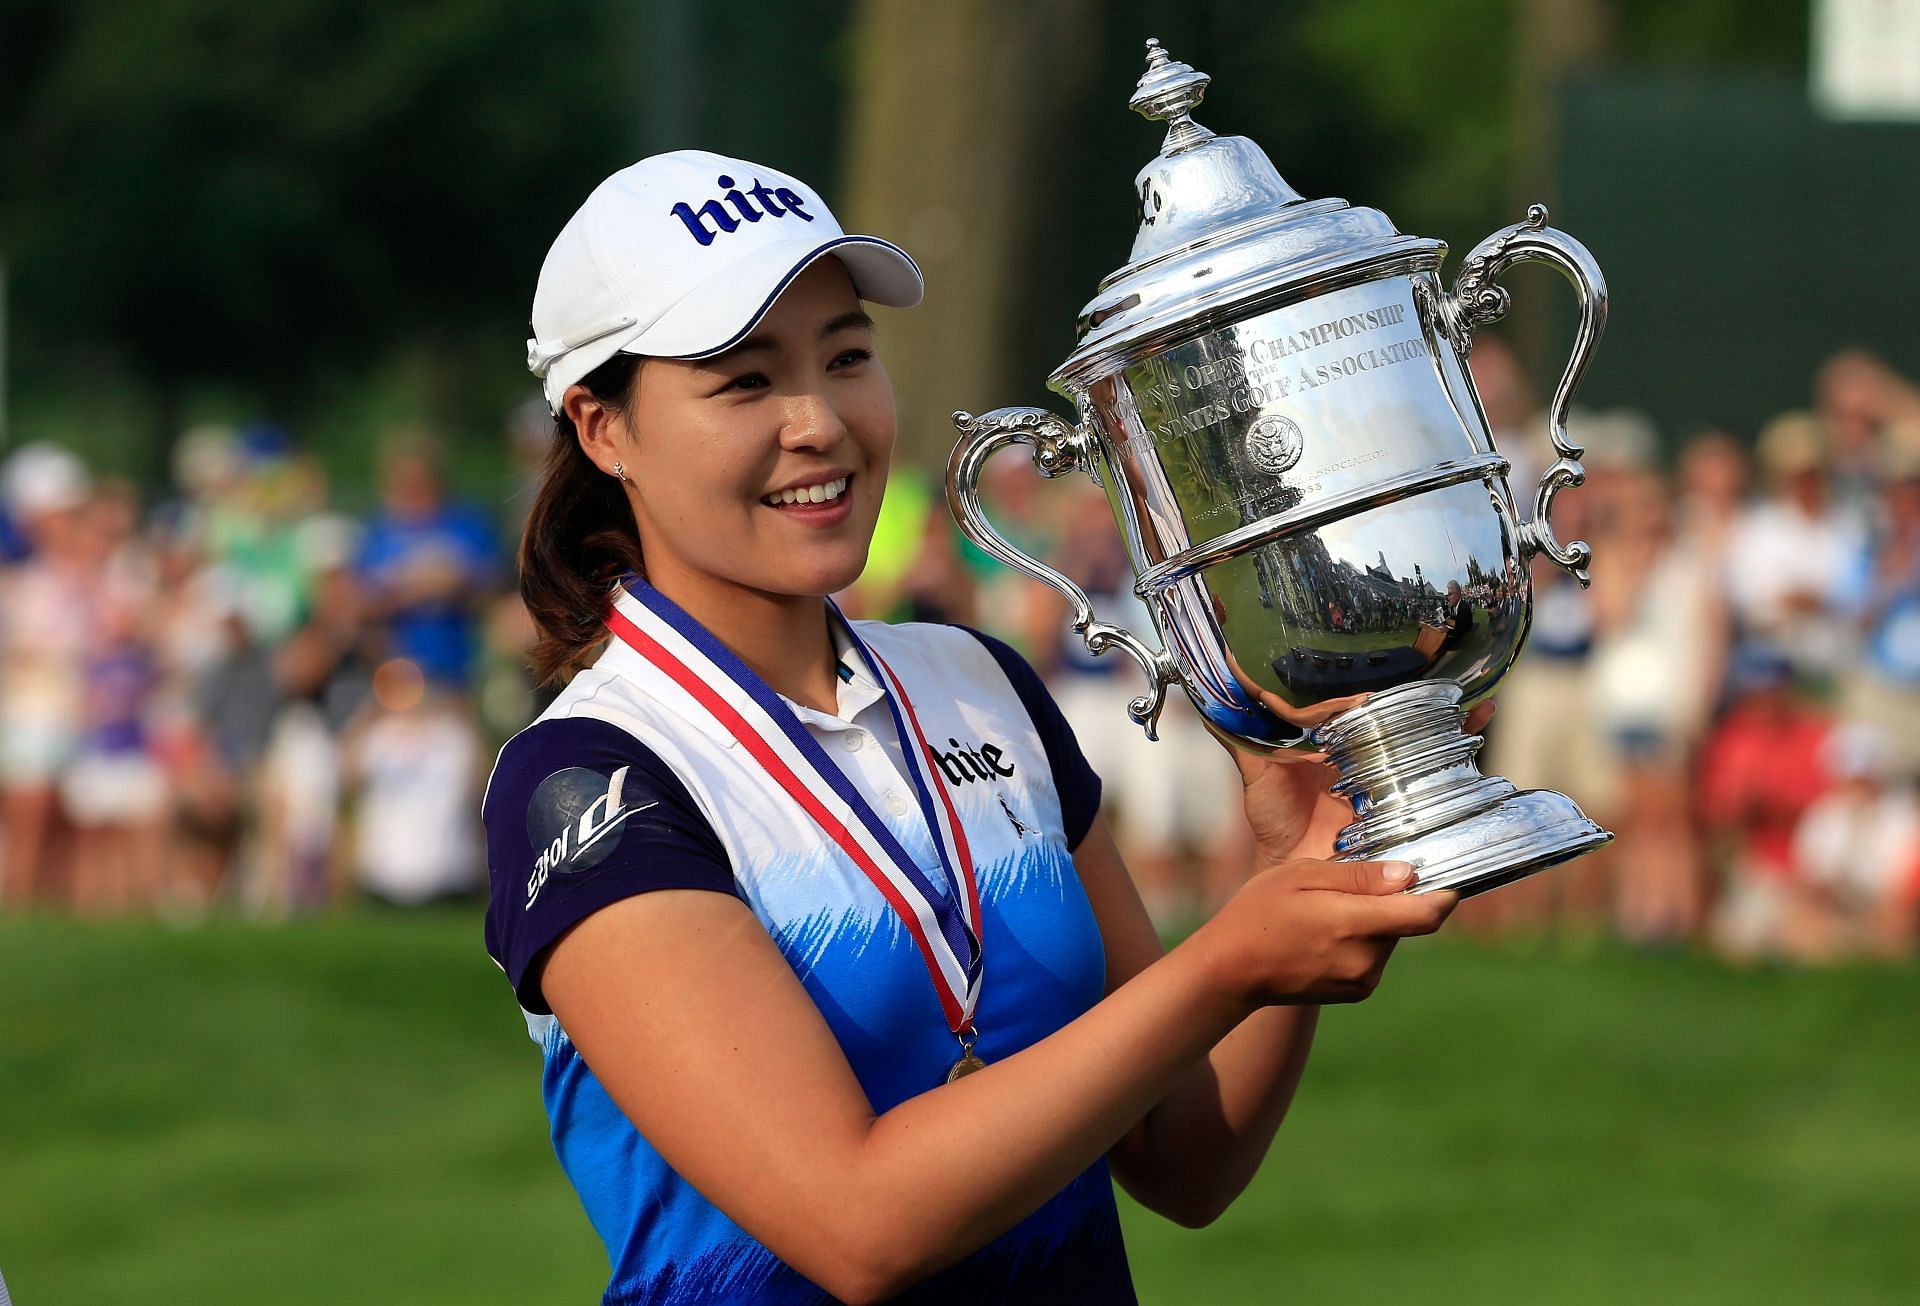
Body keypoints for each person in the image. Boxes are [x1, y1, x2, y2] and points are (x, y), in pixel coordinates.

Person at [483, 151, 1463, 1305]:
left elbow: (1187, 1158)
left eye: (847, 357)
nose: (819, 423)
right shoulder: (586, 777)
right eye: (745, 382)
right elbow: (860, 1225)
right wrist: (1227, 960)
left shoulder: (977, 681)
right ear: (603, 429)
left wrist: (1298, 869)